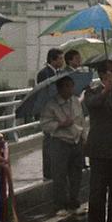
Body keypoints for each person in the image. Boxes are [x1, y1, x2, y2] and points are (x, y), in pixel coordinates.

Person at [83, 61, 112, 222]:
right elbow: (92, 105)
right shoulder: (91, 91)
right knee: (98, 191)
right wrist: (105, 90)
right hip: (100, 150)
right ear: (102, 74)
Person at [39, 75, 86, 212]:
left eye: (71, 86)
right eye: (66, 86)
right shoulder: (51, 105)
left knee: (76, 174)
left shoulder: (76, 101)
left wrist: (84, 137)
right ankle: (60, 205)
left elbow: (81, 120)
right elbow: (44, 124)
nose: (70, 89)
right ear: (59, 88)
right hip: (60, 142)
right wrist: (60, 124)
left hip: (76, 140)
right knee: (59, 175)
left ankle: (74, 202)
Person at [37, 48, 65, 179]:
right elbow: (45, 92)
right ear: (53, 59)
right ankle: (48, 171)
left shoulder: (58, 72)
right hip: (48, 112)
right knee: (48, 141)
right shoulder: (44, 73)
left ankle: (55, 169)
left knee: (55, 142)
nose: (62, 61)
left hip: (57, 111)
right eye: (60, 58)